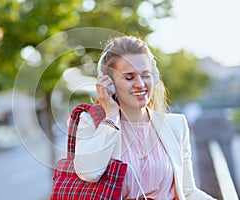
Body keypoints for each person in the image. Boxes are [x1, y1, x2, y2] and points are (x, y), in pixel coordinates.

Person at [73, 36, 216, 200]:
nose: (140, 84)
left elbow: (189, 192)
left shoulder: (176, 125)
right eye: (129, 77)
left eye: (145, 75)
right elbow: (89, 173)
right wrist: (111, 114)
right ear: (108, 82)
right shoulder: (92, 123)